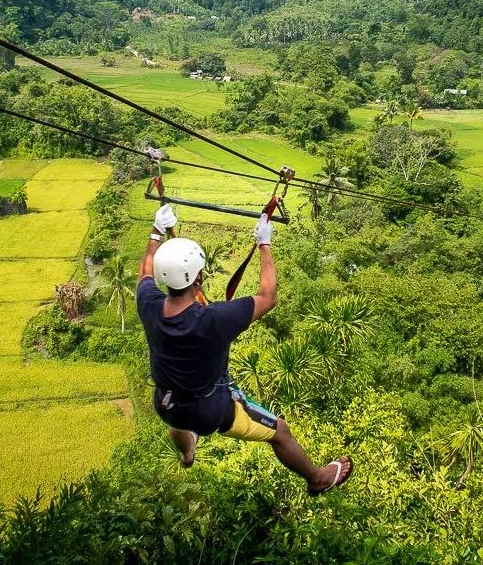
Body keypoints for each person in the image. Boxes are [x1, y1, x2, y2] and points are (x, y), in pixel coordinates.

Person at [136, 203, 353, 495]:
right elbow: (268, 297)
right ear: (197, 279)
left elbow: (145, 274)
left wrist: (156, 232)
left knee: (178, 421)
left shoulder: (147, 304)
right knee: (280, 431)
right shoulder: (213, 319)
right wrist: (264, 243)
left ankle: (187, 454)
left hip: (165, 402)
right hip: (209, 410)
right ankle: (318, 479)